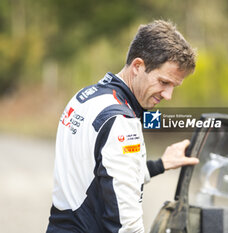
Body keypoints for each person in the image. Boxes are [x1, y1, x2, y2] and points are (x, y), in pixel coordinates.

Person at [46, 20, 199, 233]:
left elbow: (100, 176)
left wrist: (160, 164)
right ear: (138, 66)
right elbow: (126, 223)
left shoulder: (84, 97)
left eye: (174, 86)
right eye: (164, 82)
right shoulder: (121, 121)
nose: (168, 95)